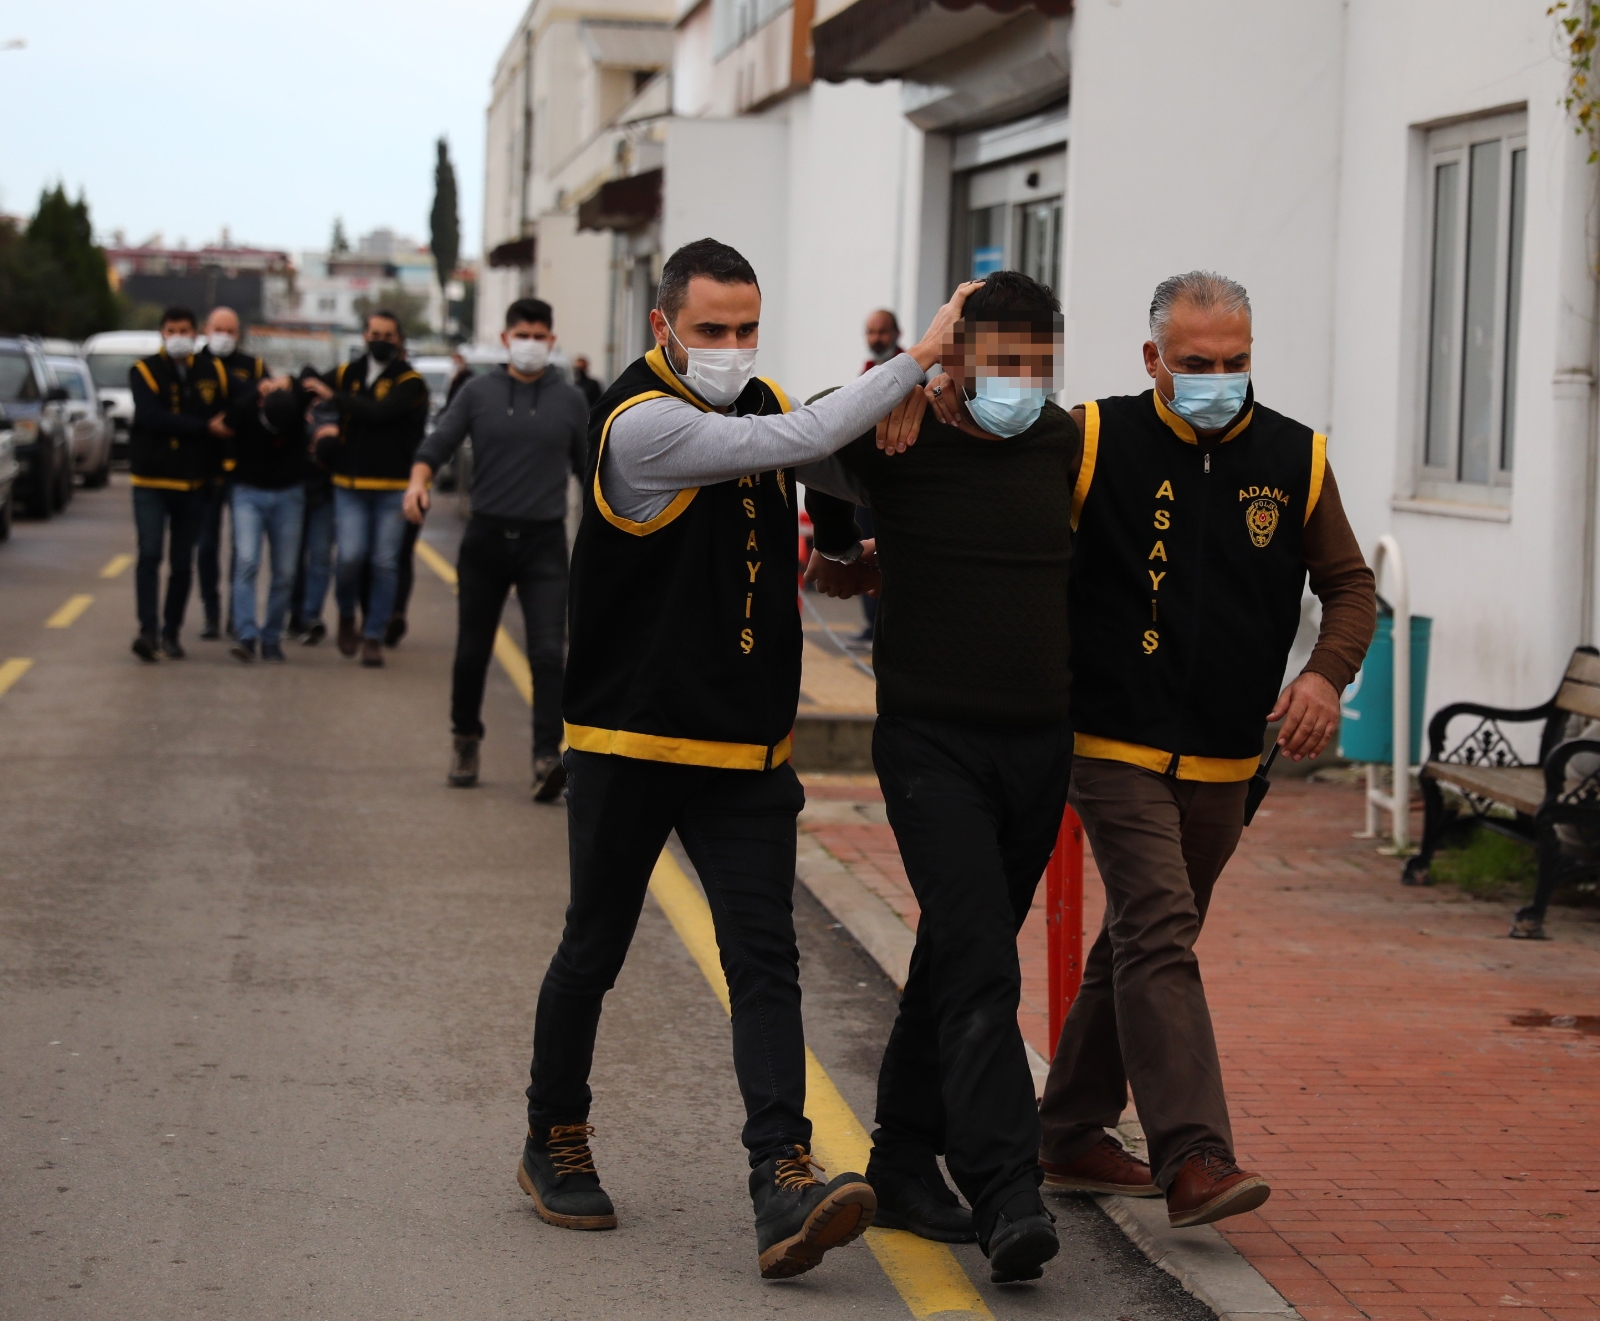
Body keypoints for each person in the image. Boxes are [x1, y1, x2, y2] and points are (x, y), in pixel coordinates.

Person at [518, 236, 971, 1279]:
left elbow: (839, 456)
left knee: (765, 958)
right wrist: (912, 360)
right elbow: (806, 432)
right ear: (662, 328)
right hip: (631, 740)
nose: (730, 348)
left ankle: (783, 1174)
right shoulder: (642, 424)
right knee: (594, 945)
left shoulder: (756, 399)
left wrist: (912, 419)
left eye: (745, 329)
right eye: (711, 330)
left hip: (744, 749)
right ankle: (552, 1135)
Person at [1020, 272, 1374, 1229]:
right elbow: (1000, 522)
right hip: (1107, 740)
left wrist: (1323, 676)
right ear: (1153, 361)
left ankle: (1070, 1129)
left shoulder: (1297, 457)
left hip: (1226, 760)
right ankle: (1196, 1155)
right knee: (1162, 922)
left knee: (1141, 938)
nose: (1220, 380)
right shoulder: (1093, 438)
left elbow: (1350, 587)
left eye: (1236, 362)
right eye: (1197, 364)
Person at [802, 272, 1077, 1284]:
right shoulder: (897, 437)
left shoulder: (1065, 446)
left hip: (1039, 747)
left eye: (1037, 366)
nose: (1022, 384)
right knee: (981, 964)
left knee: (958, 957)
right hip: (931, 750)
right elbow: (807, 444)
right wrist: (839, 549)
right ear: (957, 362)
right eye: (1001, 364)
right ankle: (1009, 1192)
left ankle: (902, 1160)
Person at [404, 298, 588, 801]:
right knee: (471, 652)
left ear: (551, 342)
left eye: (539, 336)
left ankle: (546, 756)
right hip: (486, 538)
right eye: (521, 335)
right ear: (506, 340)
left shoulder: (569, 401)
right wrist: (418, 483)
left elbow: (590, 472)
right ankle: (465, 738)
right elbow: (437, 445)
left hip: (544, 543)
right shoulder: (478, 392)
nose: (530, 344)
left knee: (550, 654)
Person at [302, 311, 428, 668]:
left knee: (385, 562)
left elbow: (380, 413)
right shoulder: (349, 372)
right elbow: (312, 382)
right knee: (350, 557)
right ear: (364, 334)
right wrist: (292, 384)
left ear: (399, 340)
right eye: (375, 333)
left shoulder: (410, 381)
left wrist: (335, 399)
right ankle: (345, 615)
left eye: (389, 335)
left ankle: (373, 634)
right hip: (349, 485)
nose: (381, 340)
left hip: (392, 486)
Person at [126, 307, 229, 661]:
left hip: (192, 483)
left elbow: (229, 407)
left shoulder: (211, 370)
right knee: (150, 553)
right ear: (162, 333)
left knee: (183, 562)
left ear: (196, 333)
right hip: (150, 481)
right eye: (172, 330)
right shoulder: (144, 371)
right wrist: (202, 427)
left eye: (185, 330)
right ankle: (148, 630)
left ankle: (171, 632)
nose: (178, 337)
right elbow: (152, 417)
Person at [224, 375, 308, 663]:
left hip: (289, 495)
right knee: (246, 561)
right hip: (248, 492)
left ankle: (271, 636)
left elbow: (314, 381)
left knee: (285, 572)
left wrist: (292, 382)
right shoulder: (248, 407)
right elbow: (228, 421)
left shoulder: (294, 410)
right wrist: (254, 393)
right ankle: (247, 634)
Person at [849, 309, 904, 645]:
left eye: (882, 332)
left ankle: (889, 626)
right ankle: (871, 625)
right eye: (870, 332)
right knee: (862, 549)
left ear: (896, 332)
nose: (875, 339)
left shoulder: (913, 369)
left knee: (890, 553)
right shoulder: (868, 370)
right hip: (866, 479)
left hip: (896, 481)